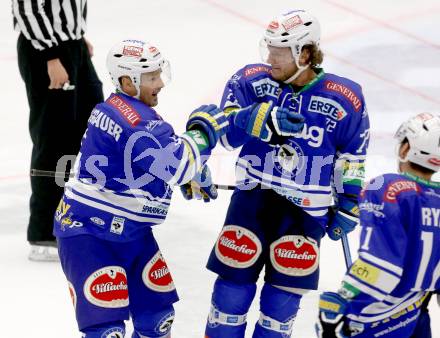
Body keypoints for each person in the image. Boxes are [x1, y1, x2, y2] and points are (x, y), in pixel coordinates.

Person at [52, 39, 300, 338]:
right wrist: (204, 132)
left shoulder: (124, 109)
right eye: (152, 77)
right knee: (107, 331)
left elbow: (147, 165)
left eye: (160, 74)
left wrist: (183, 175)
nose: (160, 83)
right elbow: (176, 164)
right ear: (128, 82)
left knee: (158, 318)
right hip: (90, 235)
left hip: (130, 232)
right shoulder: (136, 121)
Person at [196, 9, 370, 338]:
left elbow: (352, 155)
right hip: (252, 201)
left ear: (305, 54)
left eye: (280, 51)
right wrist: (252, 118)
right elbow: (225, 133)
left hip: (307, 212)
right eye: (269, 48)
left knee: (281, 304)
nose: (270, 58)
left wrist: (349, 202)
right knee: (230, 293)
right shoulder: (251, 80)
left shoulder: (346, 97)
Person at [317, 112, 440, 338]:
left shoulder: (388, 188)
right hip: (418, 315)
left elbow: (382, 265)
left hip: (377, 316)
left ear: (405, 149)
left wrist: (345, 299)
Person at [12, 0, 104, 261]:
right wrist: (52, 56)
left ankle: (78, 216)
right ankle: (44, 233)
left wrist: (77, 36)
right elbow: (26, 8)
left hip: (71, 45)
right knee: (53, 136)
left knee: (91, 126)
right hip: (46, 51)